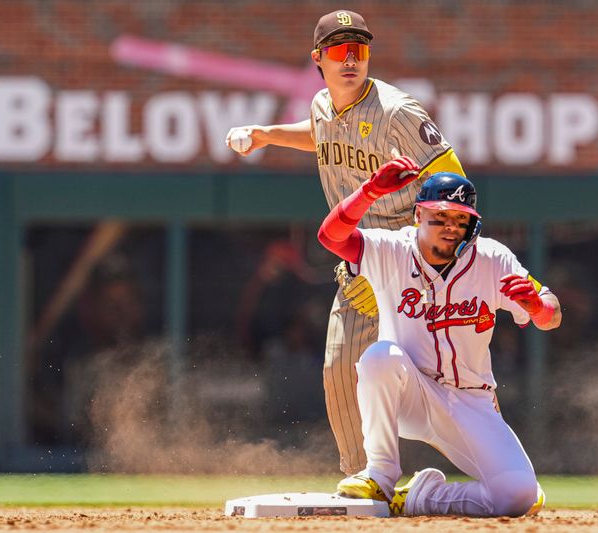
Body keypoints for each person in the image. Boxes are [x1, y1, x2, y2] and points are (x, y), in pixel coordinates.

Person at [226, 9, 465, 478]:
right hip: (359, 261)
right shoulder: (321, 105)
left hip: (407, 259)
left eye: (360, 49)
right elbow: (319, 132)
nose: (351, 58)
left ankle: (486, 461)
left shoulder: (397, 112)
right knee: (339, 369)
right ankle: (366, 477)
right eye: (339, 49)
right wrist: (264, 135)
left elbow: (454, 180)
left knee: (439, 381)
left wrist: (424, 258)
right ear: (318, 58)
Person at [316, 156, 562, 517]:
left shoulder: (492, 258)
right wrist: (369, 192)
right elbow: (330, 236)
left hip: (472, 402)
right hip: (412, 393)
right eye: (440, 217)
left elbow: (550, 314)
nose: (451, 227)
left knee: (517, 497)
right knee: (380, 357)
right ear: (418, 216)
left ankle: (419, 497)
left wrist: (537, 307)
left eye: (461, 219)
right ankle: (380, 476)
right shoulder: (392, 249)